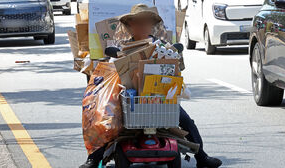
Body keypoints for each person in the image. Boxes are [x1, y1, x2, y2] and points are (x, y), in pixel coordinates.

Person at [80, 4, 222, 168]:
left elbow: (175, 68)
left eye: (146, 22)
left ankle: (202, 157)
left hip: (160, 99)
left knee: (186, 120)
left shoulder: (162, 46)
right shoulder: (122, 47)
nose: (142, 26)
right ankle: (94, 159)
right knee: (106, 121)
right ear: (130, 26)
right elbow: (114, 69)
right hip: (131, 99)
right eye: (137, 22)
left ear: (151, 26)